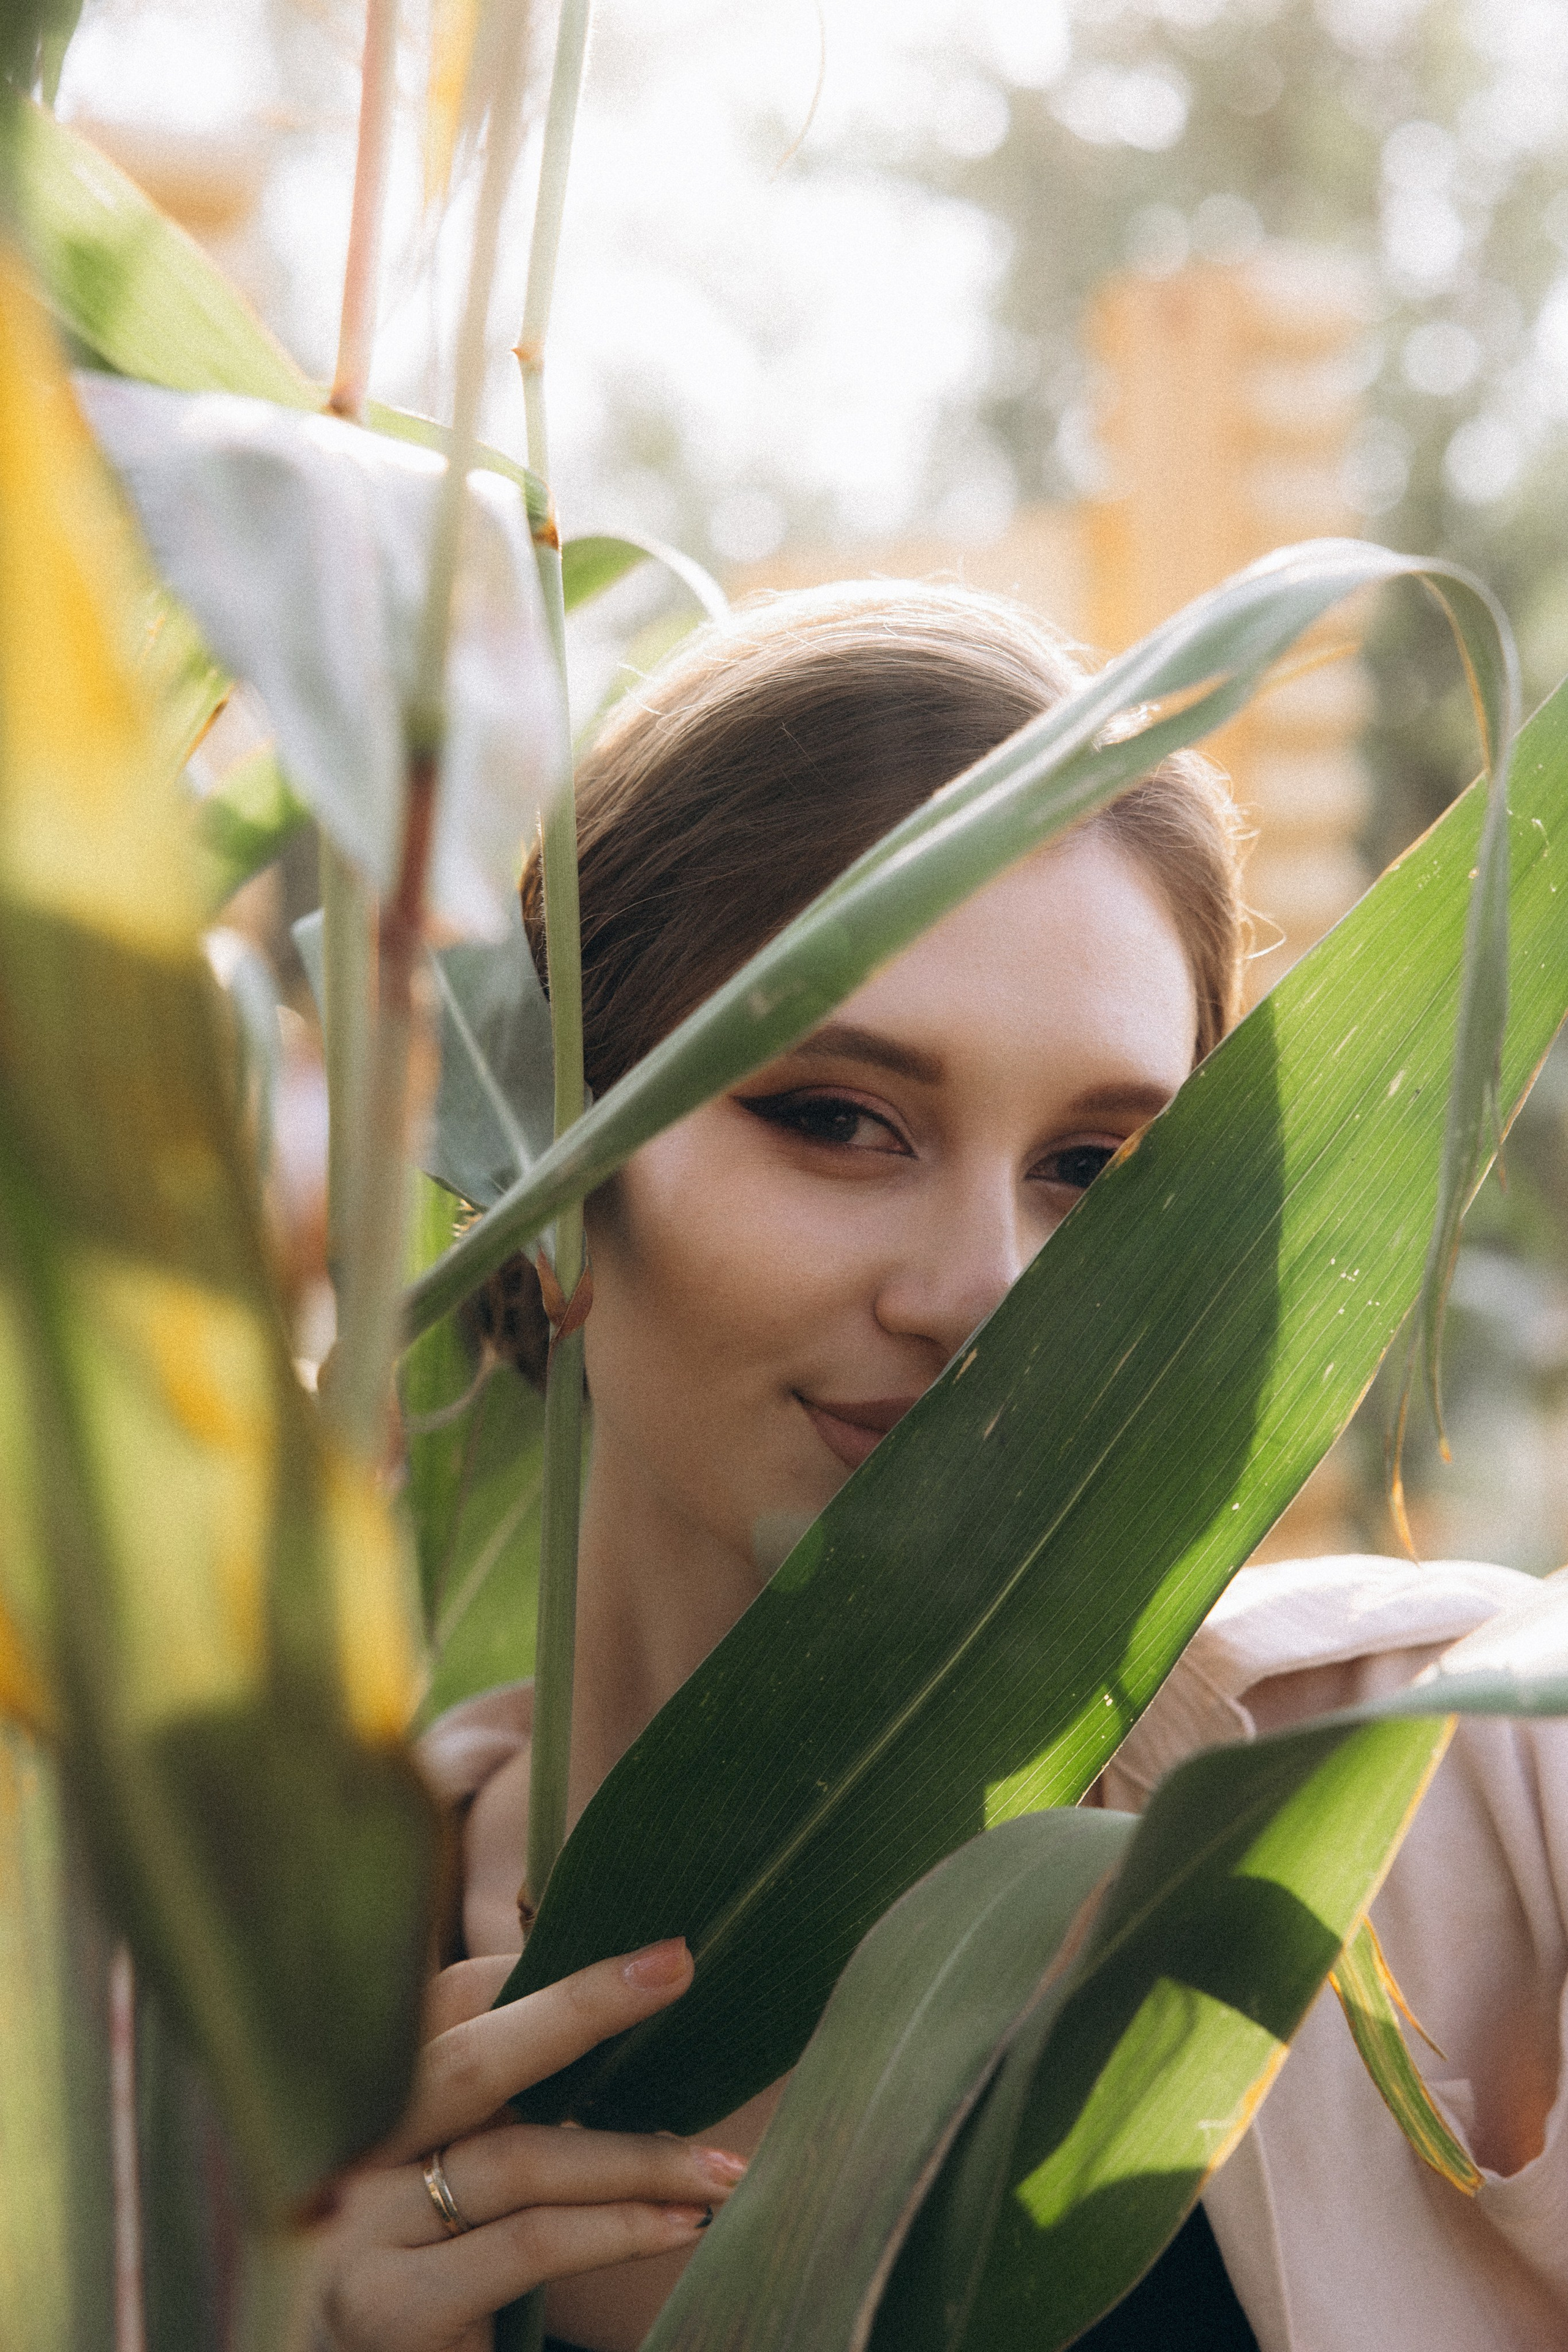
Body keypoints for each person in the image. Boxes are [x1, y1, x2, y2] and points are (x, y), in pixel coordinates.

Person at [312, 583, 1568, 2352]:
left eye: (1100, 1172)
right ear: (537, 1159)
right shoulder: (235, 1997)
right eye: (835, 1117)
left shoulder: (1477, 1784)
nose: (987, 1295)